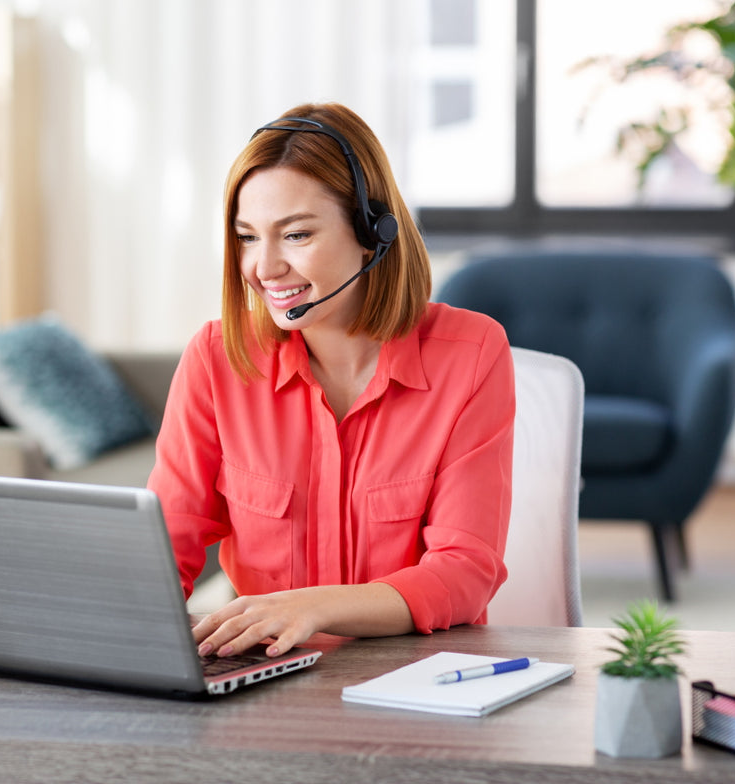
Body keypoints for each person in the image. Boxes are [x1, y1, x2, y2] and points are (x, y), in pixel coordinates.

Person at [147, 102, 514, 662]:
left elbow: (465, 572)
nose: (264, 268)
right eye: (247, 237)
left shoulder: (471, 354)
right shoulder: (217, 357)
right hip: (269, 676)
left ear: (373, 233)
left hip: (419, 675)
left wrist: (315, 607)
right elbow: (162, 550)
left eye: (295, 235)